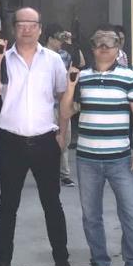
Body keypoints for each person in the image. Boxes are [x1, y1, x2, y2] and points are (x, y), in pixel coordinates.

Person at [0, 7, 75, 266]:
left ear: (40, 28)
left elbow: (63, 97)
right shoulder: (2, 58)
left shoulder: (53, 60)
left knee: (52, 203)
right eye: (21, 24)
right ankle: (3, 264)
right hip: (11, 141)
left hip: (45, 140)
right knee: (7, 206)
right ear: (14, 28)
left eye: (32, 24)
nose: (26, 29)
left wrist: (62, 133)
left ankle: (62, 261)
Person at [61, 26, 133, 266]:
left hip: (120, 159)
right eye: (99, 44)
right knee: (91, 216)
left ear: (117, 49)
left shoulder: (129, 77)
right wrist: (70, 85)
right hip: (87, 159)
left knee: (132, 215)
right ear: (92, 49)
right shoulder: (82, 77)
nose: (104, 48)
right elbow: (66, 112)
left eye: (109, 44)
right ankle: (99, 263)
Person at [45, 26, 76, 187]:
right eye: (59, 39)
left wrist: (72, 42)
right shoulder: (40, 56)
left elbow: (80, 63)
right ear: (50, 38)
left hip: (63, 104)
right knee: (47, 141)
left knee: (65, 138)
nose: (61, 42)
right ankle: (48, 172)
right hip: (47, 106)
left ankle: (64, 174)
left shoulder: (65, 55)